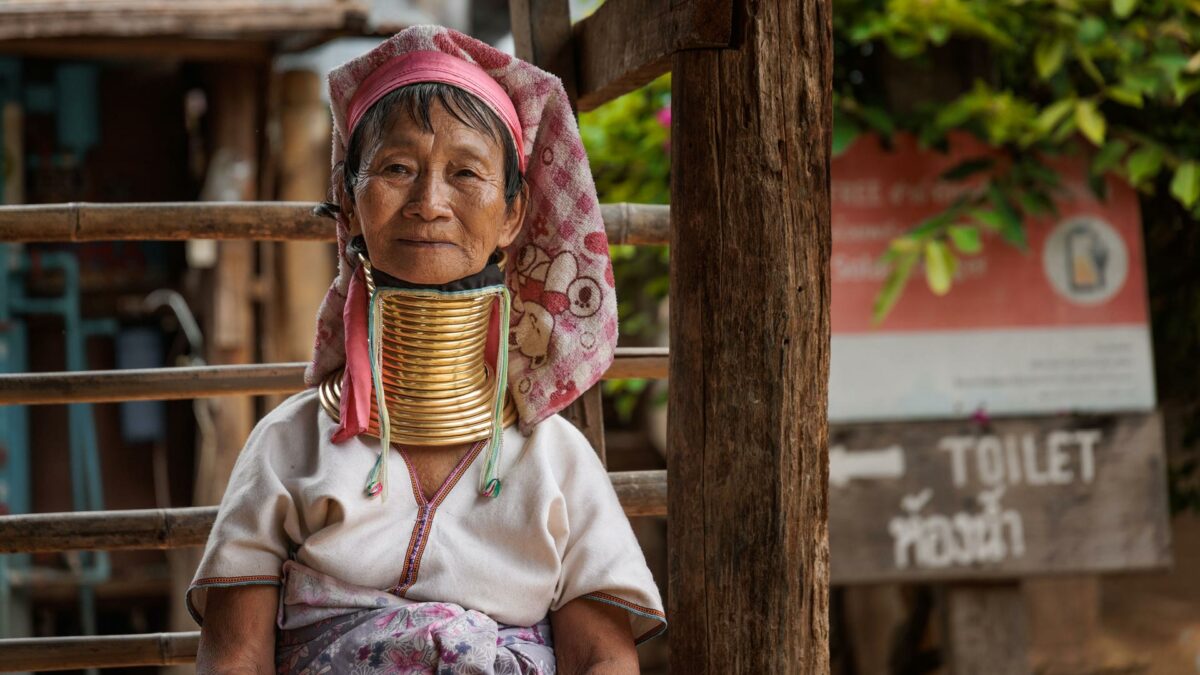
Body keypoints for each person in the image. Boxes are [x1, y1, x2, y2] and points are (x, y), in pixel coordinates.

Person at [187, 25, 665, 675]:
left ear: (512, 216)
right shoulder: (287, 445)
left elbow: (602, 659)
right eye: (397, 168)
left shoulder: (555, 461)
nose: (429, 203)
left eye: (465, 172)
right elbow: (235, 658)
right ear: (348, 205)